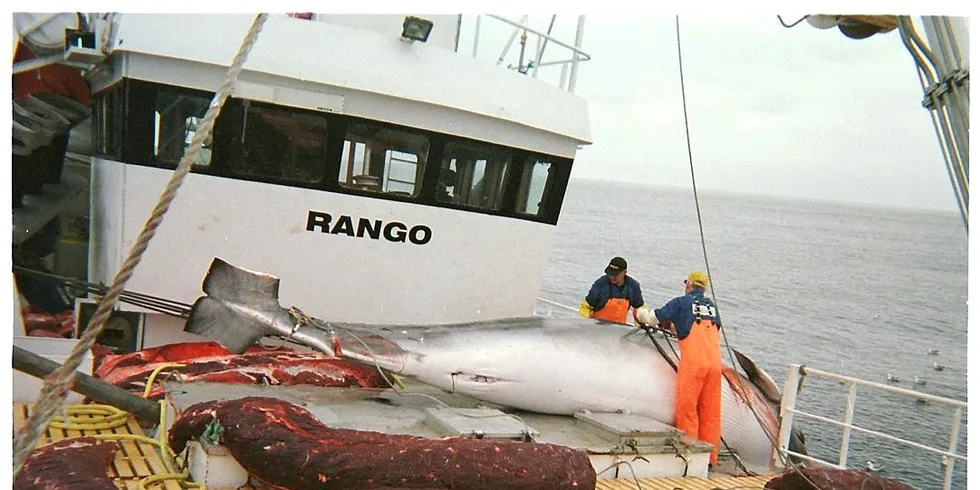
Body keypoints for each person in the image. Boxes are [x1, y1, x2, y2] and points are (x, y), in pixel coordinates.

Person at [653, 271, 722, 467]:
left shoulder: (681, 302)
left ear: (689, 285)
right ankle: (710, 458)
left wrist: (640, 314)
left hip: (694, 365)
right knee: (710, 413)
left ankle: (690, 458)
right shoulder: (712, 307)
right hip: (715, 365)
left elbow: (655, 316)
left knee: (688, 410)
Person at [579, 256, 652, 325]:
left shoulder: (633, 286)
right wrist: (584, 324)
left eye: (615, 274)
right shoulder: (600, 284)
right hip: (597, 328)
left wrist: (641, 327)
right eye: (610, 273)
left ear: (624, 272)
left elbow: (640, 310)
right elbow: (586, 307)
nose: (612, 277)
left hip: (619, 331)